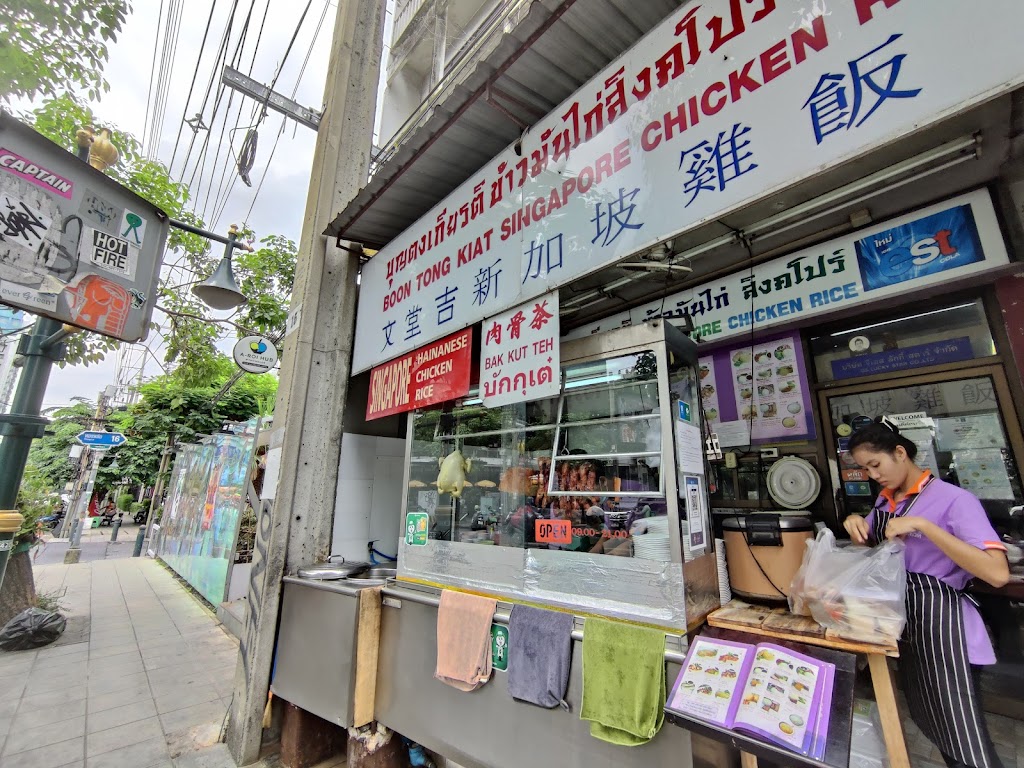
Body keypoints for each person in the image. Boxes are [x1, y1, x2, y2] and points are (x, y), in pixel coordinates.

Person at [843, 418, 1009, 768]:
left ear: (900, 452)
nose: (873, 475)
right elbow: (878, 554)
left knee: (966, 737)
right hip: (912, 628)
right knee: (934, 722)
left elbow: (996, 573)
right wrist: (857, 524)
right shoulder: (885, 503)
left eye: (876, 464)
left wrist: (924, 527)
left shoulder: (954, 500)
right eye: (864, 469)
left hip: (946, 628)